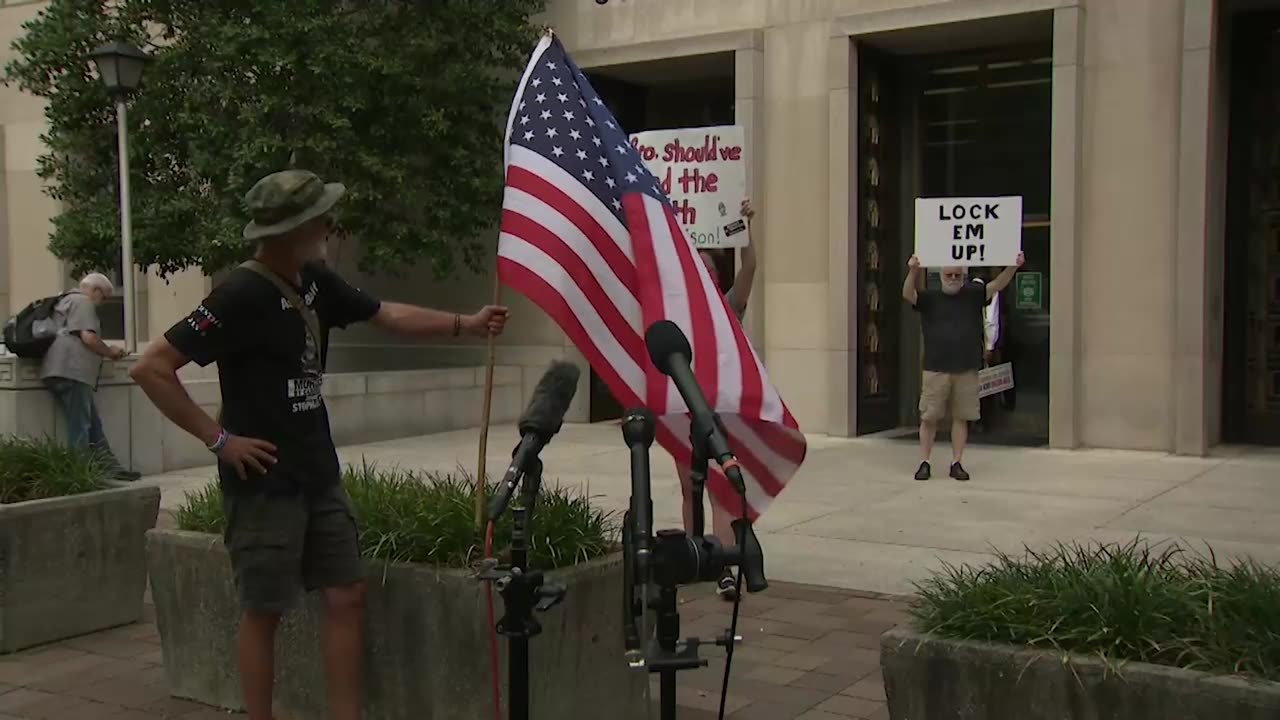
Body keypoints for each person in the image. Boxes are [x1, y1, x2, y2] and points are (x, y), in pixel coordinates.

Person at [129, 169, 510, 720]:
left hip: (317, 472)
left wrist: (466, 323)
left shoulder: (316, 280)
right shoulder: (239, 294)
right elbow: (151, 367)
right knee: (264, 610)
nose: (334, 226)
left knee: (346, 594)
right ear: (297, 228)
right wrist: (220, 440)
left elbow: (386, 315)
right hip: (263, 484)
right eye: (324, 219)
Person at [680, 198, 756, 601]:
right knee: (689, 489)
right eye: (698, 271)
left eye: (710, 271)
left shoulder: (729, 308)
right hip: (682, 412)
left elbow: (750, 271)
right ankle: (693, 556)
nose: (705, 277)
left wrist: (746, 231)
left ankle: (725, 567)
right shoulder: (676, 313)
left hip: (720, 414)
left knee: (719, 490)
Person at [902, 252, 1023, 481]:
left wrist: (1013, 267)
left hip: (966, 367)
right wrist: (913, 271)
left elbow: (997, 285)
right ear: (941, 275)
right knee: (929, 418)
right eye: (949, 274)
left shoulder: (974, 294)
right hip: (936, 367)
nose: (953, 278)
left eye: (958, 274)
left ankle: (956, 462)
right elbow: (908, 294)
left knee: (962, 417)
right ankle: (924, 462)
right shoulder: (931, 298)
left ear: (963, 276)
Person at [41, 272, 139, 481]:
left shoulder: (64, 300)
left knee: (92, 422)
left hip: (57, 369)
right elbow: (88, 337)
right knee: (81, 425)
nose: (102, 303)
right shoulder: (82, 301)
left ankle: (110, 467)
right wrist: (111, 351)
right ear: (95, 290)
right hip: (72, 371)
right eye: (103, 297)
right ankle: (79, 474)